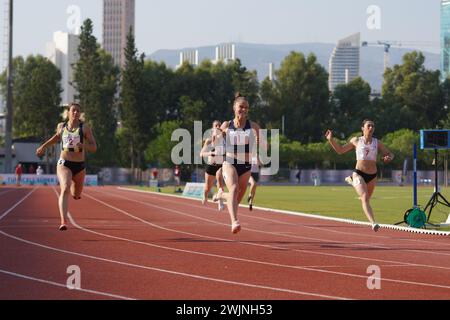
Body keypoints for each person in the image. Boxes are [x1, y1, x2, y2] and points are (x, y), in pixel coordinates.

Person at [36, 103, 97, 231]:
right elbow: (56, 138)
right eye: (73, 111)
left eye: (78, 111)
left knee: (76, 194)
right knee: (65, 188)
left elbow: (94, 147)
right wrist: (43, 146)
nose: (76, 113)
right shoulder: (61, 126)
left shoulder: (84, 128)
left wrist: (83, 146)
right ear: (68, 112)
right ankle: (63, 221)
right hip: (64, 163)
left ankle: (76, 194)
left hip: (79, 166)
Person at [325, 119, 394, 232]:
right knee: (364, 198)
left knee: (368, 198)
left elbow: (390, 154)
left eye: (373, 126)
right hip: (359, 173)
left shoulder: (377, 143)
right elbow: (340, 150)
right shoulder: (356, 140)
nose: (371, 128)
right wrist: (331, 140)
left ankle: (352, 181)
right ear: (363, 128)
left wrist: (389, 158)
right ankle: (373, 223)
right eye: (369, 126)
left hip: (372, 175)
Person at [213, 93, 265, 234]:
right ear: (234, 108)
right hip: (230, 162)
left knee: (236, 199)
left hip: (246, 166)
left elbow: (262, 144)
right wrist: (217, 135)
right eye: (241, 107)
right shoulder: (226, 125)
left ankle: (220, 194)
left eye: (246, 108)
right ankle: (234, 222)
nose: (244, 110)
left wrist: (260, 143)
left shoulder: (254, 126)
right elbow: (216, 141)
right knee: (234, 188)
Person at [199, 120, 225, 211]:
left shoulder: (223, 138)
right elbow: (201, 154)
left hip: (220, 165)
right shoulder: (208, 141)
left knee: (220, 181)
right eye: (216, 125)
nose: (218, 126)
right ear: (212, 129)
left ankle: (220, 202)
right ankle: (205, 196)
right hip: (211, 166)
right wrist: (210, 153)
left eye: (219, 125)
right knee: (207, 188)